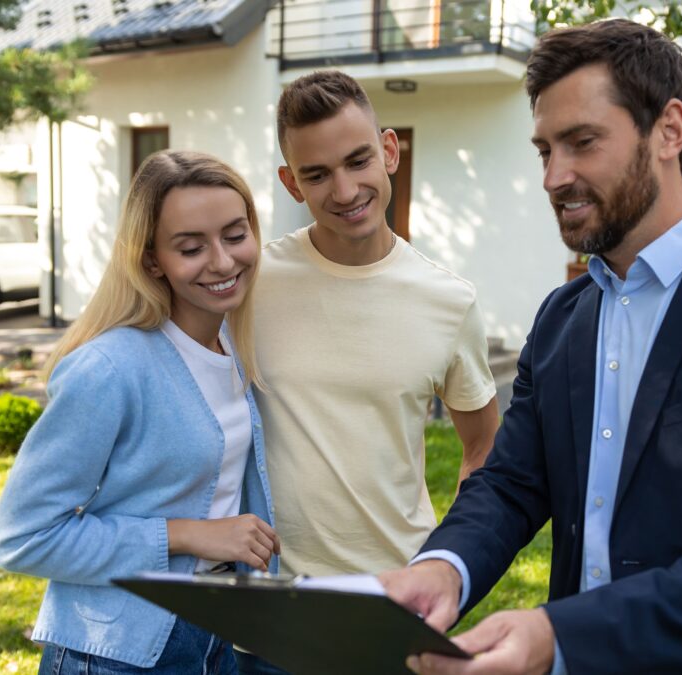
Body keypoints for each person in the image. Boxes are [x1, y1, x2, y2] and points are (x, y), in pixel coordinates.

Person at [380, 18, 682, 675]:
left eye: (582, 142)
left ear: (670, 129)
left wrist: (560, 635)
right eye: (544, 151)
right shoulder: (561, 317)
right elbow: (511, 482)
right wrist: (445, 567)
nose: (555, 176)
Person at [236, 70, 500, 673]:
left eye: (358, 161)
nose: (345, 188)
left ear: (389, 151)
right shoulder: (252, 283)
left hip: (394, 606)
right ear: (291, 183)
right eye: (317, 173)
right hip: (272, 613)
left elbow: (483, 449)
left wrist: (449, 563)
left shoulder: (448, 299)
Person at [0, 150, 280, 674]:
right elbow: (22, 538)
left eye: (235, 236)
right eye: (191, 247)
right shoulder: (109, 369)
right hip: (118, 653)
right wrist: (190, 533)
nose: (221, 261)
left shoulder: (231, 348)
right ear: (152, 261)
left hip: (216, 634)